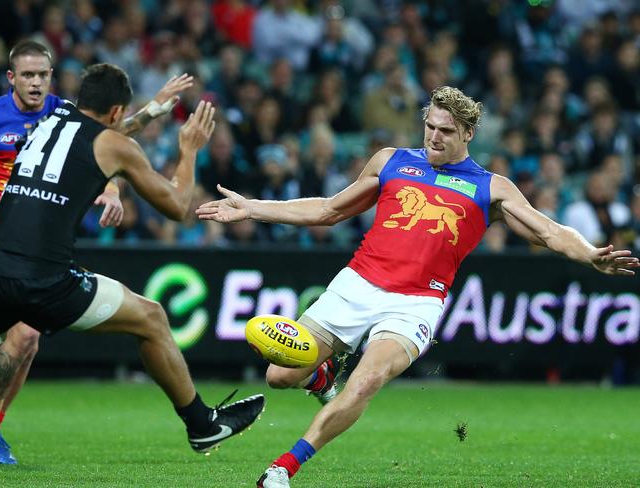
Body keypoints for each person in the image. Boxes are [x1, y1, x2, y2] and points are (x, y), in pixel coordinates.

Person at [196, 86, 639, 488]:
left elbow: (548, 231)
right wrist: (252, 208)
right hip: (357, 284)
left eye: (445, 130)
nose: (433, 136)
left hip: (415, 303)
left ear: (467, 133)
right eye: (429, 125)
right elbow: (329, 210)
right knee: (279, 374)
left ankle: (283, 468)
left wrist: (590, 255)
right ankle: (321, 374)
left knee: (366, 380)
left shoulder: (490, 187)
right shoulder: (391, 160)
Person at [0, 63, 265, 461]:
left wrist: (152, 109)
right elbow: (175, 206)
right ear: (117, 111)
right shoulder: (115, 145)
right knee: (151, 318)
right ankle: (202, 425)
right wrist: (188, 149)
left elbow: (96, 139)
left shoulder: (49, 120)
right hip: (44, 280)